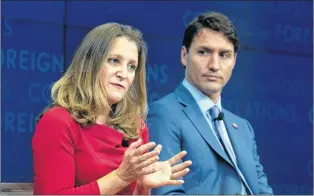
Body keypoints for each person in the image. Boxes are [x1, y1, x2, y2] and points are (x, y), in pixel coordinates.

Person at [32, 23, 192, 195]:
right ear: (90, 63)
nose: (123, 74)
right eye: (114, 61)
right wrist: (121, 178)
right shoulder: (58, 122)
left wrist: (143, 187)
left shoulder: (135, 129)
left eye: (132, 67)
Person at [147, 11, 273, 195]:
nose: (214, 65)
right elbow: (167, 193)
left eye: (224, 55)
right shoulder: (163, 113)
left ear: (234, 61)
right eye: (204, 52)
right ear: (184, 55)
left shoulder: (243, 128)